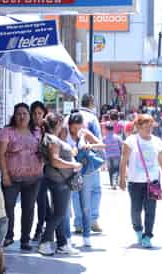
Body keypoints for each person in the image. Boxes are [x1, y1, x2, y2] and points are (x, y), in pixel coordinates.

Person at [119, 114, 162, 248]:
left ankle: (148, 235)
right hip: (134, 182)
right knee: (136, 210)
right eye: (146, 126)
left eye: (151, 126)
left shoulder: (157, 141)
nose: (149, 129)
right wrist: (121, 178)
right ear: (138, 127)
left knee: (151, 210)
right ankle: (138, 230)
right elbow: (123, 160)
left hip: (153, 182)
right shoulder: (131, 140)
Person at [0, 103, 43, 251]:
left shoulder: (37, 131)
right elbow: (0, 154)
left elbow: (44, 150)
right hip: (11, 177)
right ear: (14, 116)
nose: (22, 116)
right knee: (8, 206)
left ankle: (25, 240)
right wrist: (4, 174)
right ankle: (8, 236)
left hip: (33, 178)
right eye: (19, 114)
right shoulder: (6, 132)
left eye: (25, 113)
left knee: (28, 209)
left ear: (29, 116)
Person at [37, 113, 82, 256]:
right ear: (58, 123)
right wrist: (73, 164)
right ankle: (44, 242)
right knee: (59, 213)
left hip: (59, 179)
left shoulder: (51, 138)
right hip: (60, 180)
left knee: (60, 214)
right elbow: (55, 160)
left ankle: (62, 243)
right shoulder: (52, 139)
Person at [61, 111, 105, 247]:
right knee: (66, 206)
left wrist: (89, 145)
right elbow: (64, 149)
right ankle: (67, 237)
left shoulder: (85, 132)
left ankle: (87, 236)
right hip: (68, 171)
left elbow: (102, 145)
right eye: (74, 128)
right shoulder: (64, 132)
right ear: (69, 125)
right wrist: (74, 146)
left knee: (85, 205)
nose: (76, 131)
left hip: (85, 171)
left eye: (79, 127)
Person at [75, 95, 104, 234]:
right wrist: (101, 159)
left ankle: (79, 222)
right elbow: (98, 140)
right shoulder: (92, 118)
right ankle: (92, 219)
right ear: (91, 103)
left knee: (76, 190)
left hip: (74, 158)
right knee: (95, 189)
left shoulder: (73, 115)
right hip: (89, 158)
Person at [29, 101, 51, 242]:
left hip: (45, 170)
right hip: (30, 170)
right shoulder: (28, 129)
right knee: (41, 201)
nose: (37, 116)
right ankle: (47, 229)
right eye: (35, 113)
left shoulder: (47, 130)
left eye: (40, 113)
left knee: (41, 200)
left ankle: (40, 228)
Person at [103, 123, 123, 190]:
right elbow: (121, 145)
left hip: (108, 156)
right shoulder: (117, 137)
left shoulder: (104, 138)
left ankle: (112, 183)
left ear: (106, 129)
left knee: (110, 170)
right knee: (116, 169)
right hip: (116, 155)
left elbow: (103, 147)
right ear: (113, 129)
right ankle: (115, 182)